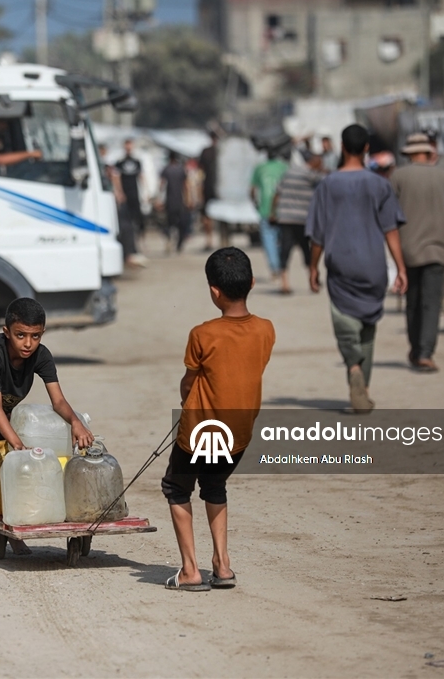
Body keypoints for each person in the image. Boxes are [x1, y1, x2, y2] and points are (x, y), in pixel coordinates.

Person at [0, 298, 94, 562]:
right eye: (20, 335)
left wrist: (76, 422)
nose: (27, 343)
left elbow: (57, 401)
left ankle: (13, 534)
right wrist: (17, 444)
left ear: (42, 334)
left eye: (35, 336)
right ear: (7, 332)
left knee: (9, 464)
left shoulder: (41, 356)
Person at [162, 247, 275, 590]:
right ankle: (222, 565)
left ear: (214, 290)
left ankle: (190, 570)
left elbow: (188, 382)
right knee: (214, 485)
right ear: (252, 282)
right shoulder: (266, 329)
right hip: (239, 434)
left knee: (176, 486)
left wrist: (189, 397)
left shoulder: (203, 334)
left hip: (200, 432)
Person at [306, 124, 408, 413]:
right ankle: (364, 387)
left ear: (341, 145)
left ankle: (353, 367)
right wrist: (401, 267)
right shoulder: (380, 185)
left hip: (341, 265)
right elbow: (391, 230)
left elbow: (318, 235)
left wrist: (313, 267)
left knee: (344, 324)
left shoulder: (327, 185)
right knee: (367, 328)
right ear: (366, 148)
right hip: (373, 266)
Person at [389, 132, 444, 372]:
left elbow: (389, 214)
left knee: (413, 302)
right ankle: (426, 353)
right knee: (431, 303)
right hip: (437, 249)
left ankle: (416, 348)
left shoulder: (398, 175)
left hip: (407, 251)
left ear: (408, 153)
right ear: (429, 153)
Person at [271, 150, 325, 294]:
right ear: (314, 162)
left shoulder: (289, 172)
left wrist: (273, 213)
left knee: (285, 249)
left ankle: (285, 283)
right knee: (307, 249)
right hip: (303, 218)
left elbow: (277, 193)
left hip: (285, 217)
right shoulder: (311, 175)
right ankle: (313, 279)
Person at [250, 145, 288, 280]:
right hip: (282, 209)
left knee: (268, 240)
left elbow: (252, 189)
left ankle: (274, 267)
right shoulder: (284, 167)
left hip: (265, 208)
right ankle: (282, 266)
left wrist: (255, 204)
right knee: (281, 239)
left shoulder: (259, 168)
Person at [99, 144, 141, 268]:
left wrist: (119, 192)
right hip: (109, 199)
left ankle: (128, 253)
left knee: (126, 225)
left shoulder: (108, 162)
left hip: (119, 198)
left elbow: (115, 177)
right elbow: (115, 177)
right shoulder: (107, 162)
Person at [159, 151, 191, 253]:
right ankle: (179, 244)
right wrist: (188, 199)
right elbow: (186, 186)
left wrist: (159, 199)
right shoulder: (181, 169)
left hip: (169, 201)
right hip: (180, 201)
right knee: (182, 224)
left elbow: (161, 186)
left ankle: (169, 239)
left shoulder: (166, 169)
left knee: (168, 223)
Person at [116, 139, 146, 241]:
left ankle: (140, 238)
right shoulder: (120, 162)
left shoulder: (136, 162)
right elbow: (117, 178)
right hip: (125, 193)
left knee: (138, 217)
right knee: (125, 218)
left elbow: (141, 177)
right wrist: (119, 192)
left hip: (135, 192)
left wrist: (145, 192)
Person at [198, 131, 220, 251]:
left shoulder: (206, 151)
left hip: (208, 185)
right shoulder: (222, 151)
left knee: (207, 215)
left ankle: (209, 240)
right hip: (219, 186)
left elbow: (200, 170)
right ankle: (219, 240)